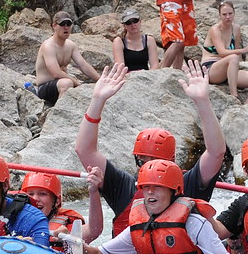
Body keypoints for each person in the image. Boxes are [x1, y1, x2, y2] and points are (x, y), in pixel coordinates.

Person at [75, 62, 227, 237]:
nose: (148, 168)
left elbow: (216, 152)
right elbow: (84, 150)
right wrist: (97, 100)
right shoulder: (125, 186)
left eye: (155, 162)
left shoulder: (187, 185)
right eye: (143, 161)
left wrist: (203, 102)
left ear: (171, 163)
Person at [81, 160, 241, 254]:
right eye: (146, 186)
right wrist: (72, 241)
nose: (150, 192)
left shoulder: (193, 223)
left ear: (174, 190)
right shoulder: (139, 226)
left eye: (158, 187)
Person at [0, 149, 103, 254]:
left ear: (56, 201)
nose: (35, 199)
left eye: (42, 194)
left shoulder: (55, 224)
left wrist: (93, 191)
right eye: (30, 193)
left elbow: (95, 230)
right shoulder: (15, 215)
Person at [201, 0, 248, 104]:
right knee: (232, 57)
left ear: (234, 13)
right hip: (211, 69)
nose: (228, 17)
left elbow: (236, 52)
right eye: (224, 14)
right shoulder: (215, 30)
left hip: (229, 70)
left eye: (230, 13)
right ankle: (234, 95)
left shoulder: (236, 29)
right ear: (219, 16)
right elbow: (222, 52)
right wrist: (243, 50)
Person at [33, 10, 102, 107]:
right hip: (45, 88)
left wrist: (101, 80)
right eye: (62, 24)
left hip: (61, 85)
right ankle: (57, 114)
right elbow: (56, 73)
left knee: (91, 87)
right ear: (54, 26)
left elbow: (83, 65)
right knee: (67, 83)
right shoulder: (48, 46)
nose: (66, 27)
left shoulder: (71, 45)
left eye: (68, 24)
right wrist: (77, 83)